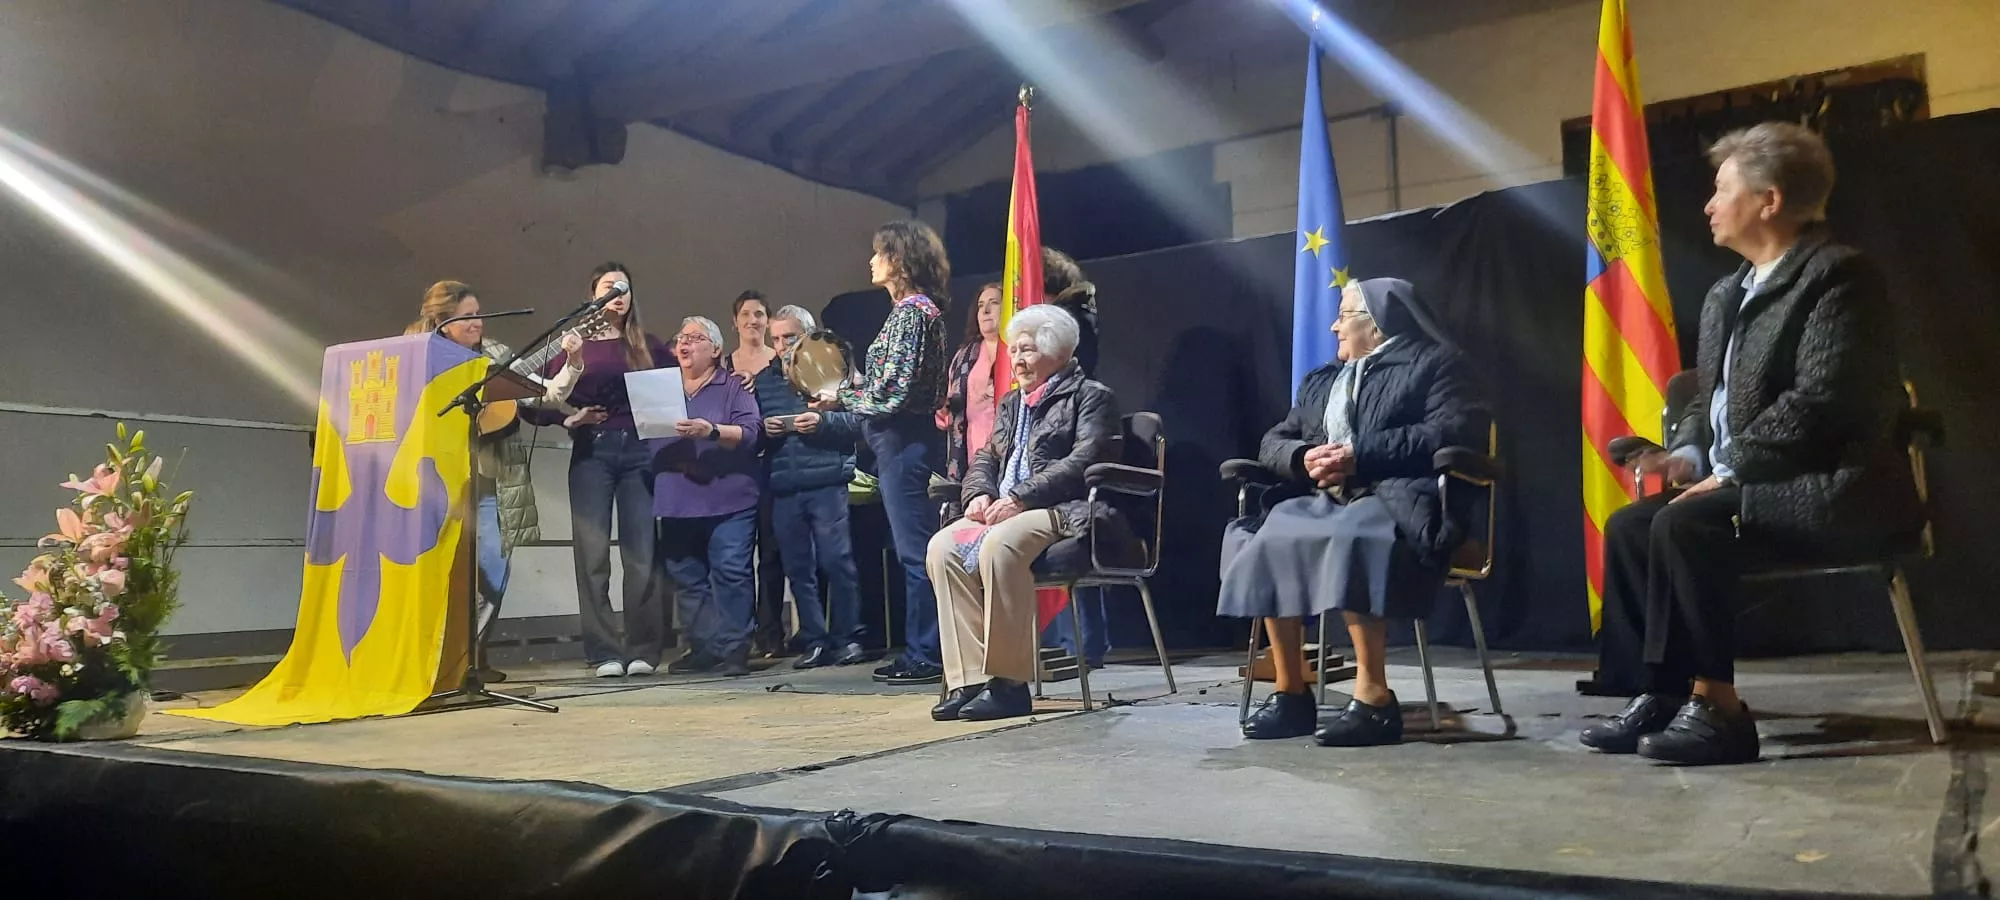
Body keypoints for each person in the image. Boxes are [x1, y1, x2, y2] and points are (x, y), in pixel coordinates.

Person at [1581, 123, 1921, 766]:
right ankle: (1661, 692)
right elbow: (1710, 406)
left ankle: (1720, 709)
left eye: (1721, 189)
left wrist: (1730, 470)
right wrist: (1682, 456)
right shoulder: (1724, 294)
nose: (1708, 204)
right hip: (1749, 485)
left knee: (1686, 522)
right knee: (1631, 527)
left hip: (1828, 484)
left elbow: (1824, 403)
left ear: (1768, 200)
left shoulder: (1840, 277)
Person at [1223, 277, 1478, 747]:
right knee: (1272, 538)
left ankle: (1375, 698)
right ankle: (1290, 692)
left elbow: (1449, 432)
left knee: (1354, 536)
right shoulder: (1323, 381)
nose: (1334, 325)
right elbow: (1273, 440)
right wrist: (1303, 457)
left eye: (1345, 315)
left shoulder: (1435, 364)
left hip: (1399, 494)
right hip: (1325, 496)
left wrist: (1361, 453)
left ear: (1376, 325)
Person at [925, 305, 1119, 721]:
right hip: (1005, 507)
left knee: (1000, 545)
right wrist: (977, 494)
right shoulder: (1013, 402)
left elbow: (1084, 460)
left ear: (1057, 352)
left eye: (1026, 351)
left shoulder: (1092, 397)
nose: (1016, 360)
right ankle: (970, 680)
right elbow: (986, 459)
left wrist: (1020, 498)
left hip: (1060, 509)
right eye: (1014, 351)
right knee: (944, 546)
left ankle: (1009, 684)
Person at [406, 280, 585, 683]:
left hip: (492, 480)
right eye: (467, 316)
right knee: (434, 573)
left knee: (493, 570)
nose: (477, 322)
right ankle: (430, 660)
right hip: (436, 483)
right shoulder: (420, 355)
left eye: (479, 313)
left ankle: (468, 660)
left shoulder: (497, 356)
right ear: (441, 321)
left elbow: (546, 395)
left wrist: (572, 363)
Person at [814, 220, 952, 686]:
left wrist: (841, 399)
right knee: (912, 552)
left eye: (879, 253)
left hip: (903, 440)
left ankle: (928, 653)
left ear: (900, 259)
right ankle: (921, 648)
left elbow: (892, 393)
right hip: (895, 439)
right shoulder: (908, 312)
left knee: (916, 553)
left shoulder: (913, 312)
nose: (871, 261)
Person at [533, 262, 673, 679]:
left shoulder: (647, 345)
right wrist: (569, 420)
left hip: (639, 454)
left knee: (641, 554)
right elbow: (533, 399)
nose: (618, 294)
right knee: (592, 556)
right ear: (594, 297)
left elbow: (677, 393)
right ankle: (603, 650)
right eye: (609, 287)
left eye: (624, 288)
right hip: (593, 453)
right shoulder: (574, 346)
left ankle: (644, 648)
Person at [755, 305, 868, 668]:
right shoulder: (764, 380)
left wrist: (820, 423)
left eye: (788, 336)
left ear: (808, 334)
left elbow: (858, 424)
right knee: (798, 569)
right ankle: (815, 641)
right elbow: (750, 429)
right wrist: (765, 431)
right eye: (775, 339)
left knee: (838, 562)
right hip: (785, 485)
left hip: (826, 481)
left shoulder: (833, 367)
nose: (782, 345)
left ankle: (848, 638)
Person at [651, 316, 765, 677]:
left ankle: (734, 648)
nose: (684, 344)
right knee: (686, 576)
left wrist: (711, 431)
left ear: (716, 350)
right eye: (681, 338)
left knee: (731, 572)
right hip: (677, 497)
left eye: (696, 338)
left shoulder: (734, 386)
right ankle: (703, 647)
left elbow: (751, 434)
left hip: (728, 496)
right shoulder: (660, 388)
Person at [1036, 247, 1110, 669]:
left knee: (1074, 542)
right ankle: (1076, 644)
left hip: (1070, 428)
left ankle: (1084, 645)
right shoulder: (1076, 313)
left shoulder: (1071, 320)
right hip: (1060, 428)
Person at [725, 289, 789, 660]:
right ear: (734, 322)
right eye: (746, 314)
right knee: (735, 554)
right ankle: (738, 633)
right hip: (737, 466)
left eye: (760, 314)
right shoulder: (725, 363)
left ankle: (770, 633)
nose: (753, 320)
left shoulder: (778, 361)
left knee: (771, 554)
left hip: (772, 463)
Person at [939, 282, 1004, 484]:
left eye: (993, 303)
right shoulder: (963, 358)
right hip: (972, 451)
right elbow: (946, 415)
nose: (985, 310)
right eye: (980, 305)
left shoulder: (1020, 350)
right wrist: (943, 407)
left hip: (1009, 446)